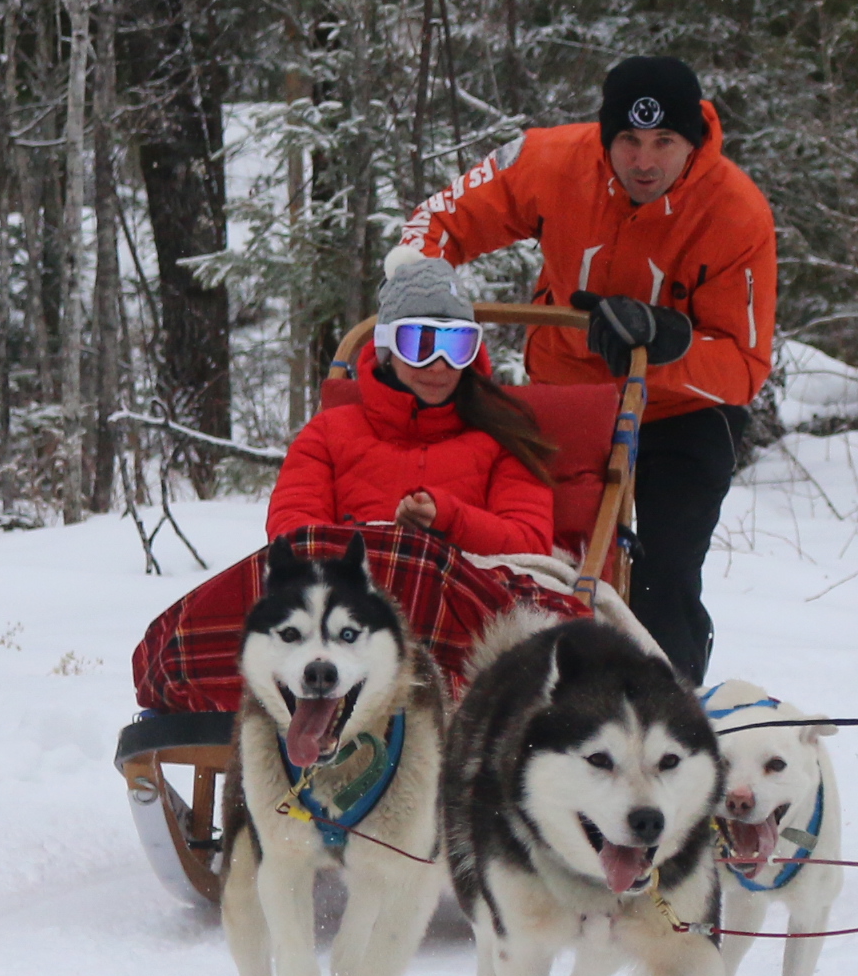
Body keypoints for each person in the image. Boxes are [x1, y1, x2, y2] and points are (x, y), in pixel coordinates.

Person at [399, 53, 774, 681]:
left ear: (694, 141)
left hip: (681, 408)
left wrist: (668, 342)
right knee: (539, 552)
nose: (644, 161)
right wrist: (415, 288)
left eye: (664, 141)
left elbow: (746, 365)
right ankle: (517, 684)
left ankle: (669, 699)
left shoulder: (737, 212)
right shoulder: (549, 162)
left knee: (664, 572)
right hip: (566, 395)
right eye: (628, 140)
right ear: (604, 137)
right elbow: (439, 219)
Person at [266, 254, 558, 557]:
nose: (438, 366)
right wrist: (363, 556)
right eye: (419, 345)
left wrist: (450, 520)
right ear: (388, 349)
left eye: (457, 347)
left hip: (465, 582)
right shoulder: (328, 433)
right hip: (346, 581)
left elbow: (530, 543)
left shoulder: (504, 436)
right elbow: (291, 529)